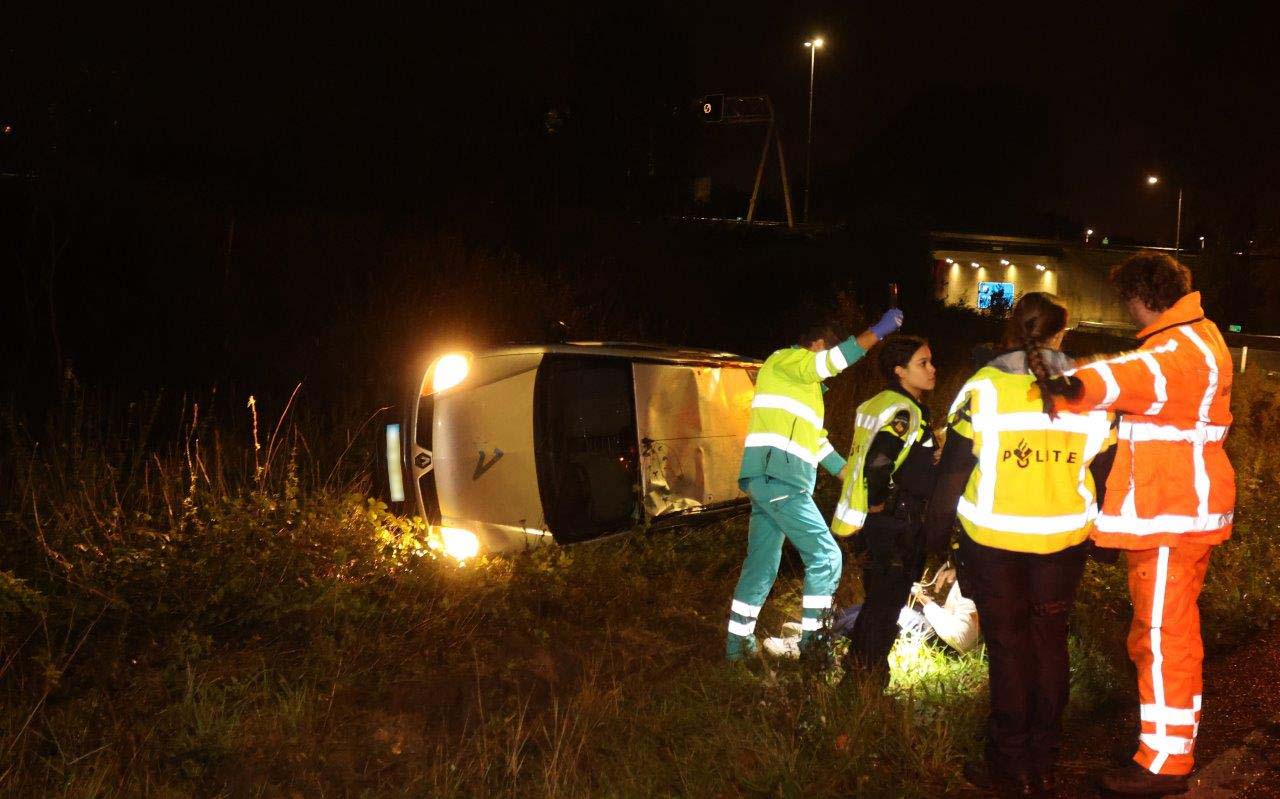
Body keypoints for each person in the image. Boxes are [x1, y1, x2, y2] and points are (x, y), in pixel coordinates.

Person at [1044, 254, 1235, 796]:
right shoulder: (1194, 336)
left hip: (1172, 513)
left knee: (1162, 637)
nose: (1127, 313)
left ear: (1141, 296)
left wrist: (1069, 383)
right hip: (1175, 511)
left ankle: (1165, 763)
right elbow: (1140, 377)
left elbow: (1132, 377)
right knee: (1163, 634)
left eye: (1126, 301)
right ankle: (1168, 746)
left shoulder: (1177, 350)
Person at [925, 292, 1116, 797]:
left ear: (1012, 328)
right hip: (1063, 544)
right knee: (1050, 644)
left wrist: (932, 535)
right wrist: (1108, 538)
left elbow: (952, 474)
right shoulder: (1091, 393)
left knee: (1008, 649)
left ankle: (1009, 766)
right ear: (1061, 335)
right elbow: (1108, 471)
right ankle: (1045, 762)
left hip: (993, 544)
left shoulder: (982, 389)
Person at [726, 307, 904, 661]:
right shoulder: (786, 361)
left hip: (771, 480)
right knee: (826, 557)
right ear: (818, 345)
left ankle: (737, 647)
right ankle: (815, 647)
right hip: (780, 478)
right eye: (829, 354)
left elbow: (818, 444)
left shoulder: (802, 390)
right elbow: (827, 363)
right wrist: (876, 333)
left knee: (761, 564)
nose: (832, 372)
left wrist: (856, 478)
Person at [830, 335, 940, 687]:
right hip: (895, 523)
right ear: (899, 371)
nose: (932, 369)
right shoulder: (905, 410)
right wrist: (880, 500)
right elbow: (879, 461)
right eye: (922, 363)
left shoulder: (878, 403)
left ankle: (859, 670)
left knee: (877, 601)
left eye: (930, 361)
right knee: (886, 605)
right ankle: (866, 681)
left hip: (875, 523)